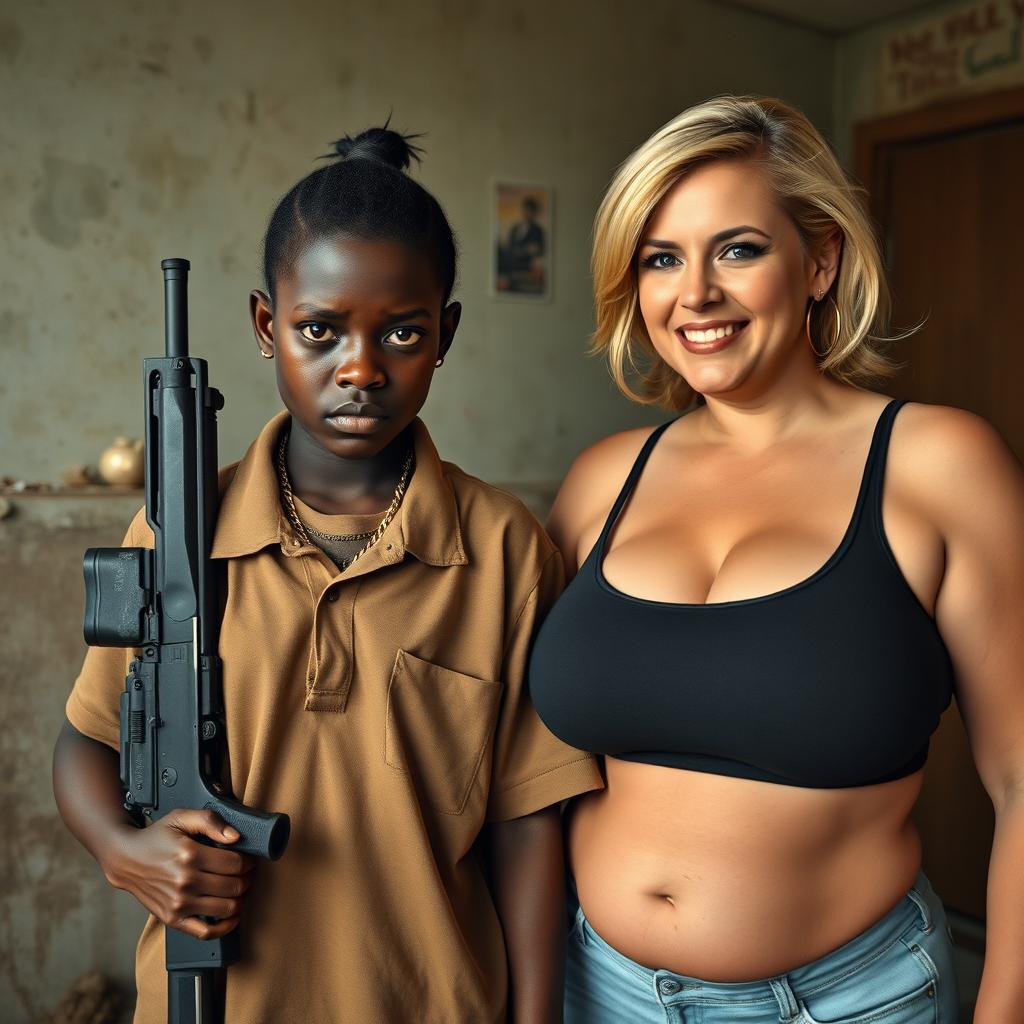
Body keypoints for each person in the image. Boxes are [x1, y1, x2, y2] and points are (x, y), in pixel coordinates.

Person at [52, 126, 602, 1023]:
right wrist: (122, 849)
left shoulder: (505, 549)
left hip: (435, 1002)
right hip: (217, 1001)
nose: (361, 368)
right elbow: (87, 739)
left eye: (402, 332)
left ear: (445, 333)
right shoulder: (177, 532)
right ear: (268, 328)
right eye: (319, 329)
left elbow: (527, 819)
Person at [528, 96, 1024, 1023]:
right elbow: (522, 766)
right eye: (661, 258)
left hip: (846, 1002)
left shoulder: (941, 464)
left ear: (821, 260)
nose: (696, 294)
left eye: (739, 248)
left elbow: (1022, 775)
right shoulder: (602, 479)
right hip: (592, 988)